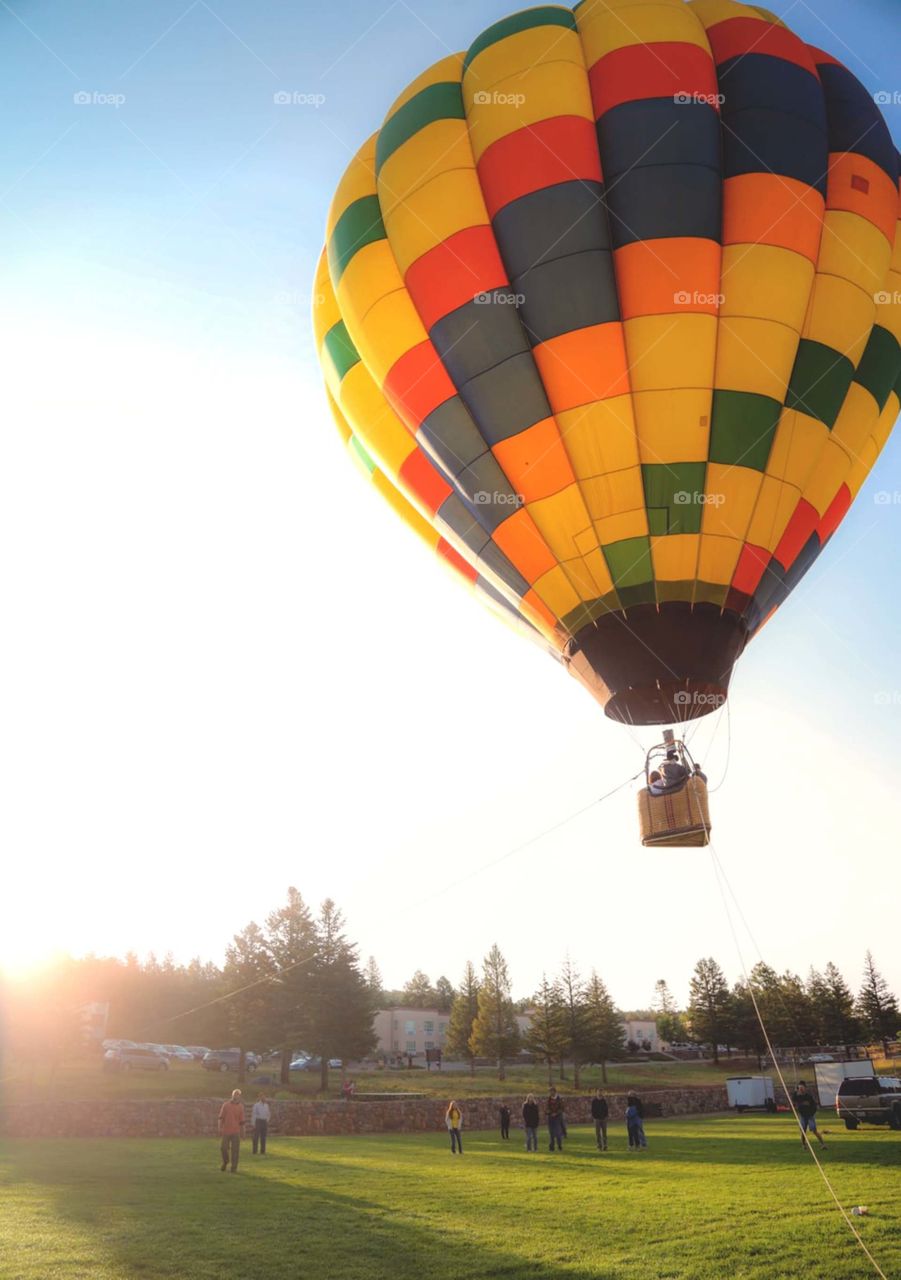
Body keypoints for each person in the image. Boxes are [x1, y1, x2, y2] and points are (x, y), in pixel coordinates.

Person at [792, 1082, 826, 1149]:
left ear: (805, 1088)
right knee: (803, 1131)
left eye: (802, 1088)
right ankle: (804, 1145)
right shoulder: (798, 1097)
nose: (801, 1090)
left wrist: (811, 1113)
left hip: (810, 1116)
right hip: (802, 1116)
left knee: (814, 1130)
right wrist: (795, 1091)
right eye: (799, 1088)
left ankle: (823, 1144)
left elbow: (814, 1106)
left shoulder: (809, 1097)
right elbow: (793, 1099)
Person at [218, 1089, 245, 1172]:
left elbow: (242, 1122)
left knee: (235, 1151)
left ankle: (234, 1168)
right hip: (226, 1130)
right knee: (223, 1148)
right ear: (232, 1095)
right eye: (234, 1094)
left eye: (237, 1094)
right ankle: (225, 1161)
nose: (236, 1096)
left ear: (239, 1096)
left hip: (236, 1131)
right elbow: (220, 1118)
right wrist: (219, 1128)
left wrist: (243, 1133)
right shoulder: (226, 1105)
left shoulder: (241, 1107)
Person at [546, 1087, 565, 1152]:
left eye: (551, 1091)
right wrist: (549, 1112)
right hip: (550, 1118)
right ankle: (551, 1148)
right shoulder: (548, 1099)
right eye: (550, 1092)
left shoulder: (559, 1099)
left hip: (557, 1118)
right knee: (551, 1134)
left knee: (558, 1134)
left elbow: (562, 1108)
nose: (550, 1093)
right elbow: (546, 1108)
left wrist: (556, 1113)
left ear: (554, 1092)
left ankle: (559, 1146)